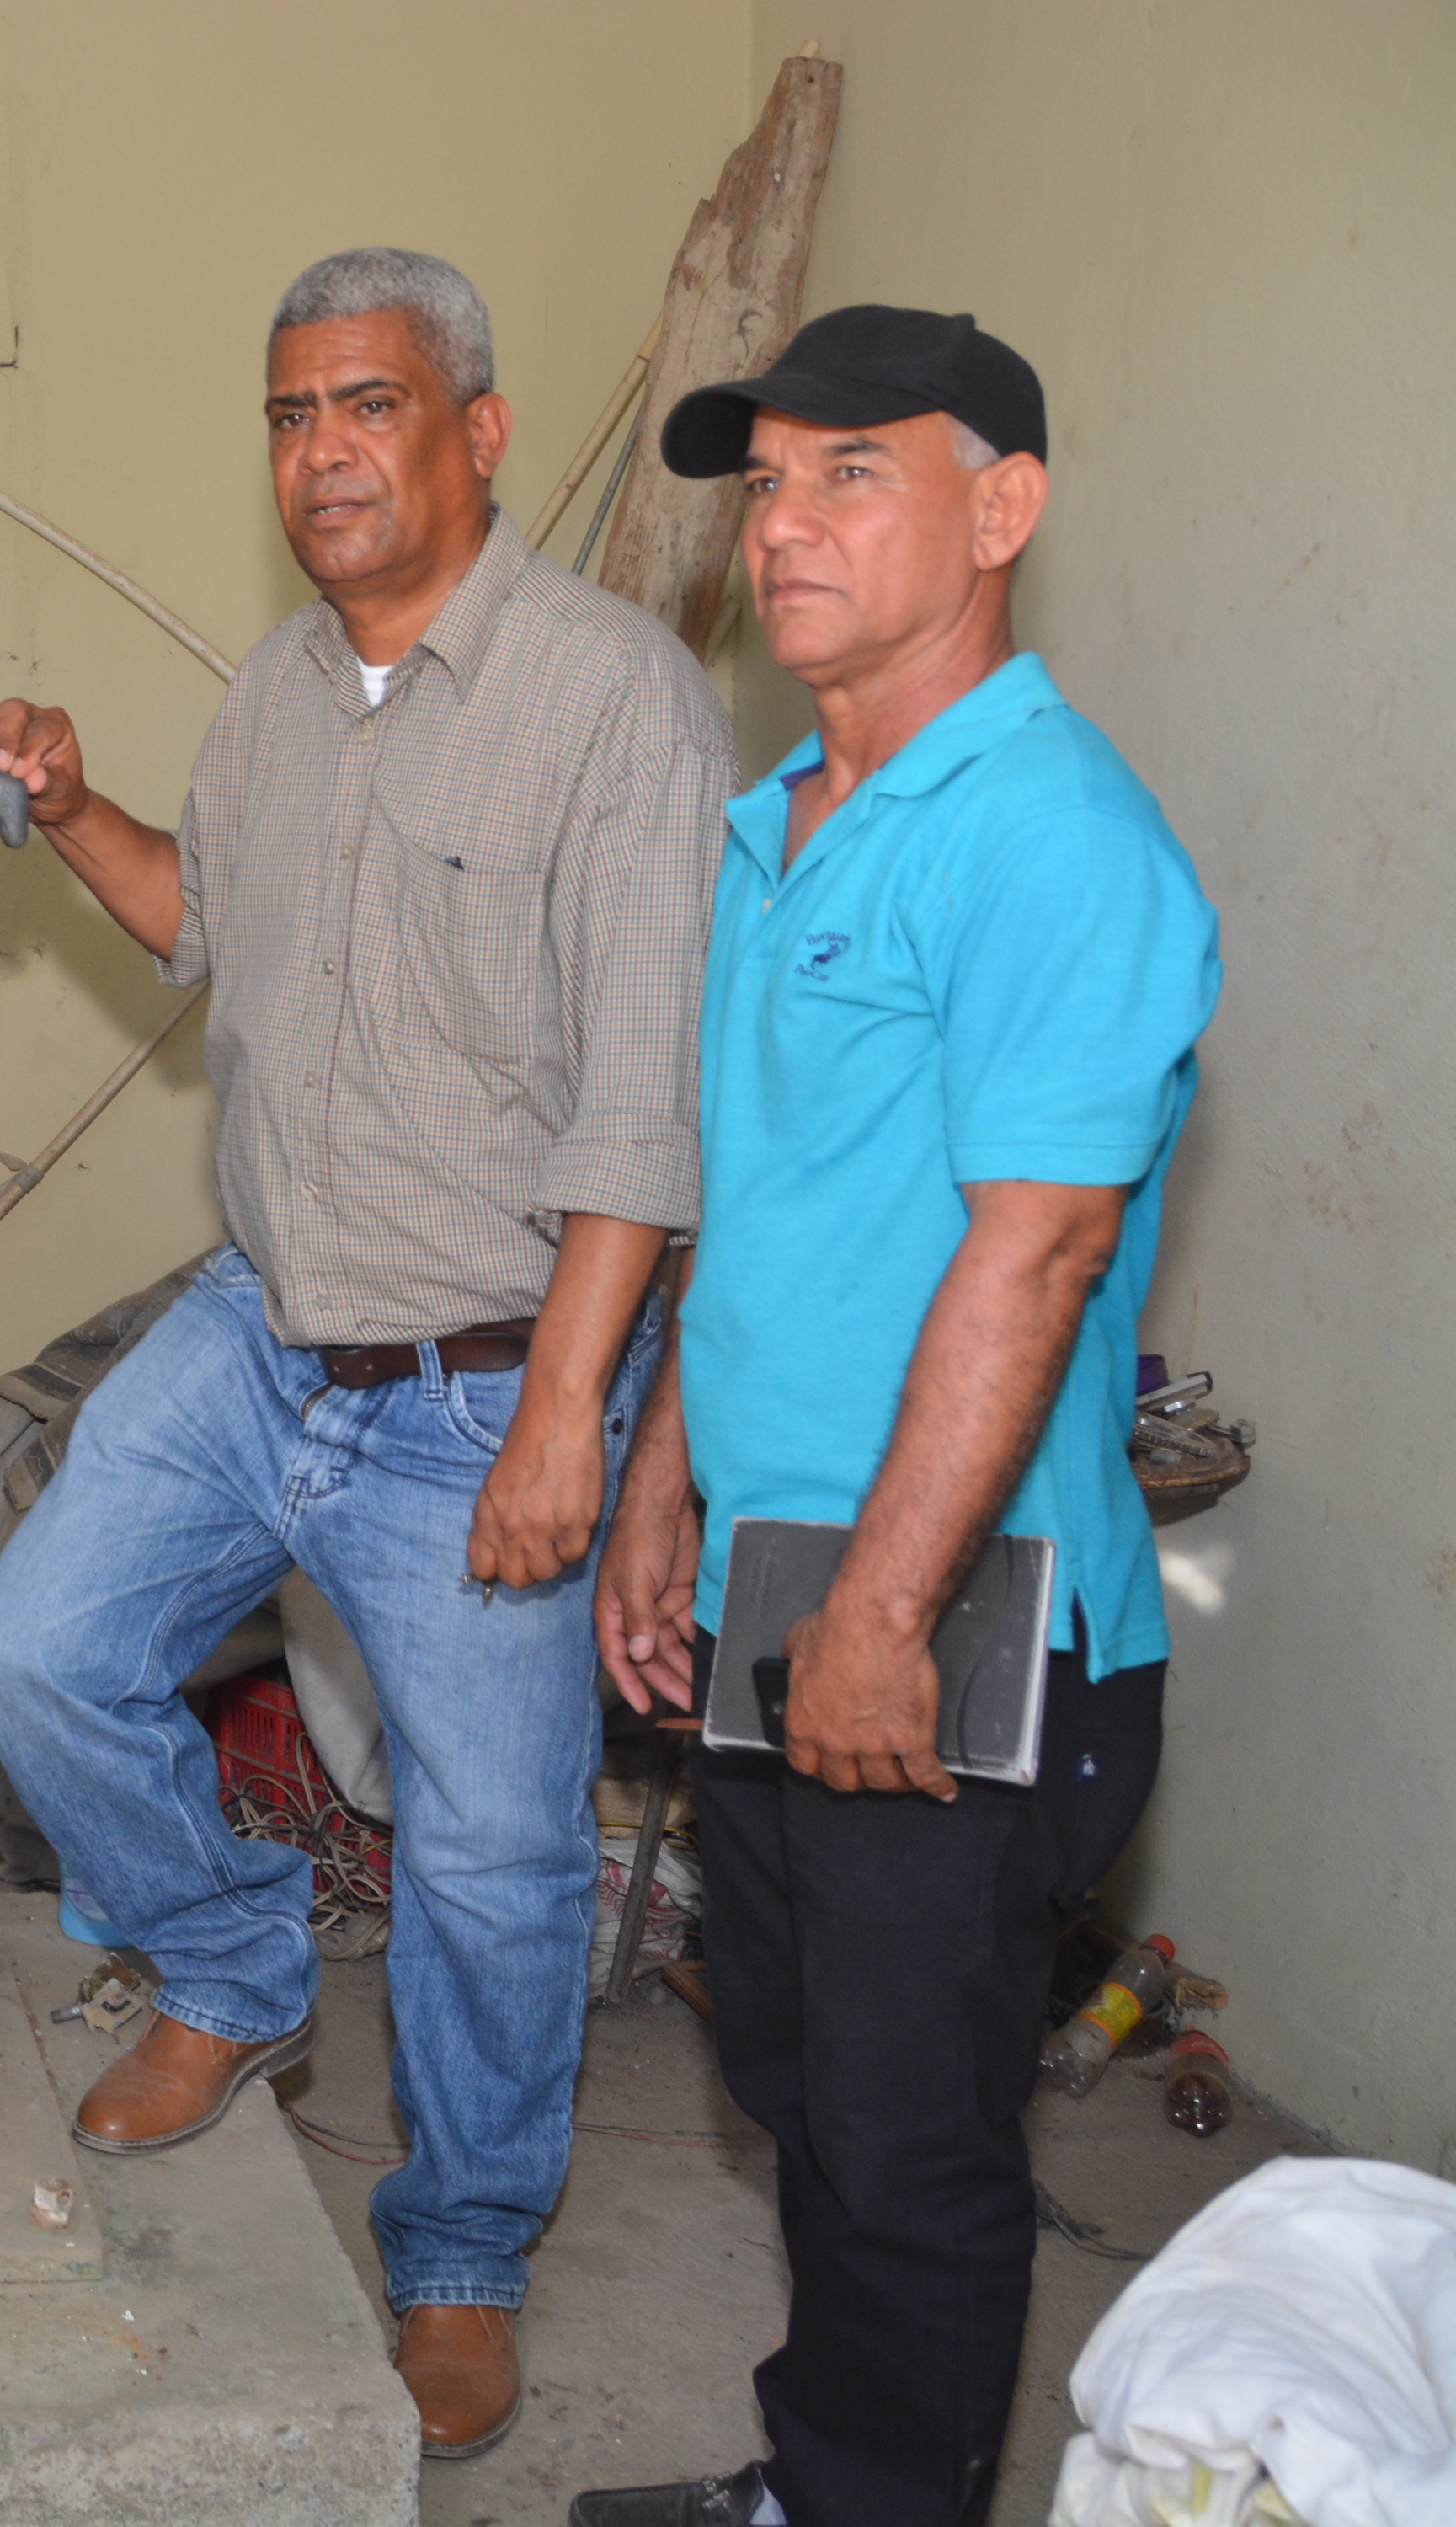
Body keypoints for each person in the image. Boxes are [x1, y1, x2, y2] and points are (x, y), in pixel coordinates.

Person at [0, 246, 734, 2460]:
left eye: (368, 406)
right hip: (261, 1329)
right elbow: (204, 926)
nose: (322, 455)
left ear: (478, 431)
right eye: (292, 414)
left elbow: (643, 1114)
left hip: (487, 1375)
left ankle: (462, 2252)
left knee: (492, 1858)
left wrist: (571, 1416)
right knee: (40, 1651)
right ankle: (233, 1965)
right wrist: (72, 807)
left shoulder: (613, 704)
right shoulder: (281, 697)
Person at [576, 307, 1219, 2527]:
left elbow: (1032, 1257)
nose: (786, 525)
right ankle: (824, 2476)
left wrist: (876, 1615)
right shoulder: (781, 825)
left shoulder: (1050, 834)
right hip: (788, 1576)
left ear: (1002, 507)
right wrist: (661, 1479)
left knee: (906, 2134)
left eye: (854, 472)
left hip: (958, 1616)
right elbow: (760, 1212)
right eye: (767, 482)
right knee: (798, 2076)